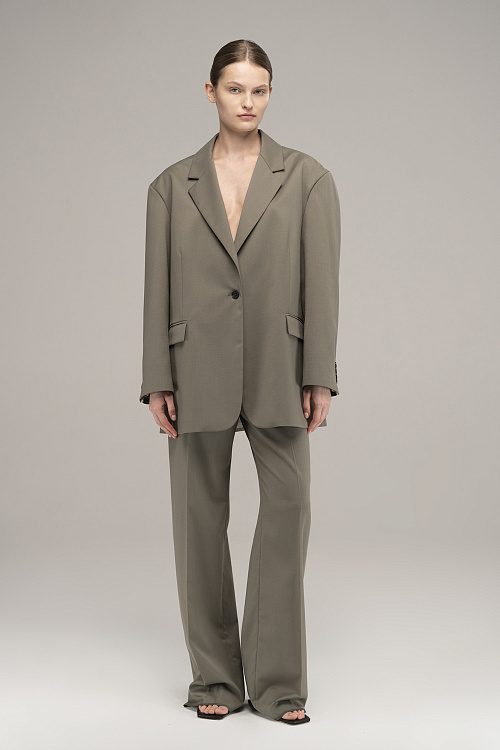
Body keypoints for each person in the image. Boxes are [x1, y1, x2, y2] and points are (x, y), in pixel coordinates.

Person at [139, 39, 341, 724]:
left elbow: (323, 283)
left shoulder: (308, 178)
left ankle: (279, 684)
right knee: (198, 523)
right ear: (211, 92)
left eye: (258, 90)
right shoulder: (171, 186)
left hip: (281, 365)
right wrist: (156, 378)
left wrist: (319, 373)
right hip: (193, 366)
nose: (247, 102)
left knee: (289, 512)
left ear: (270, 93)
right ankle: (216, 681)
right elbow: (156, 287)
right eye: (234, 89)